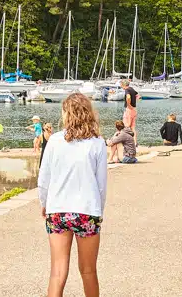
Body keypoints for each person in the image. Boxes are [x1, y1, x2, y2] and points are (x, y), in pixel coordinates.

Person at [38, 93, 109, 297]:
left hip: (58, 209)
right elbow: (101, 185)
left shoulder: (54, 141)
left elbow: (44, 179)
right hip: (87, 210)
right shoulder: (97, 142)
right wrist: (99, 211)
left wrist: (44, 203)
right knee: (88, 270)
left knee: (57, 272)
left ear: (66, 114)